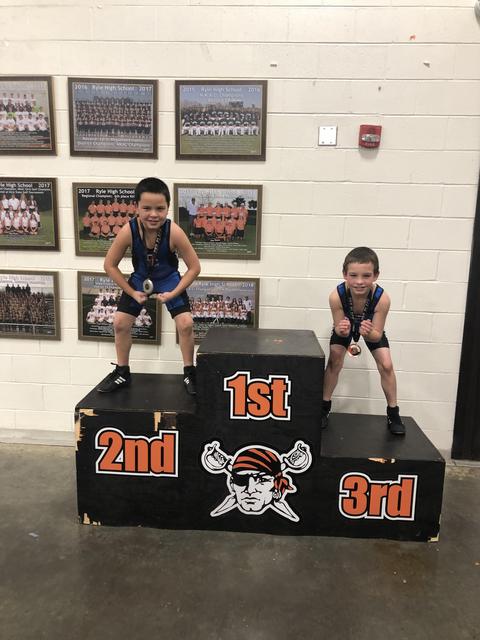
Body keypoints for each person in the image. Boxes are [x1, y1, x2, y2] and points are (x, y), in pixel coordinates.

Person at [99, 177, 201, 395]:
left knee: (186, 324)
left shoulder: (174, 231)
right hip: (140, 279)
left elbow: (194, 268)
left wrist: (173, 293)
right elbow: (109, 265)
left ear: (168, 208)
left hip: (168, 279)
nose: (153, 214)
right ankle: (122, 371)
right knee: (120, 323)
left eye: (160, 209)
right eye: (146, 208)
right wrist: (131, 292)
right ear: (136, 207)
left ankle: (189, 372)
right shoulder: (128, 231)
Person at [321, 246, 405, 435]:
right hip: (346, 325)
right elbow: (339, 329)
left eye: (366, 276)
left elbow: (377, 335)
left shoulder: (382, 299)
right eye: (353, 275)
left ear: (376, 276)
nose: (359, 282)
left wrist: (368, 333)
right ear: (345, 274)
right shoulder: (336, 296)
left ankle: (393, 413)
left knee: (387, 365)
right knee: (334, 360)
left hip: (370, 328)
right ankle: (324, 407)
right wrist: (342, 330)